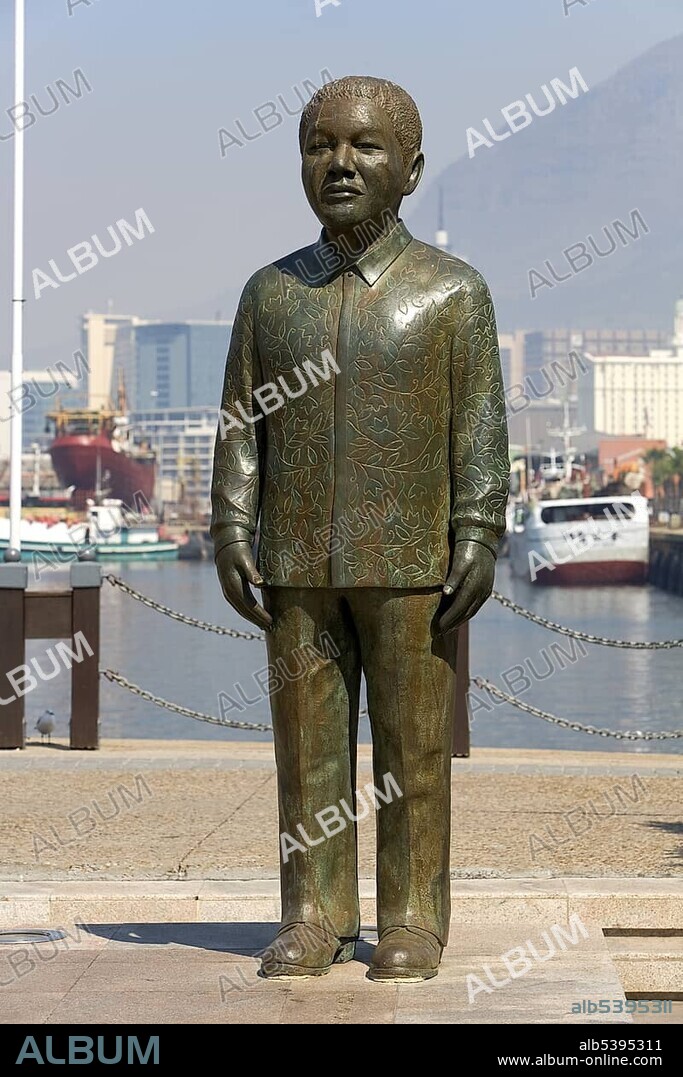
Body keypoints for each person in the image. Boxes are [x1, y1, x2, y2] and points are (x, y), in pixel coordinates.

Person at [211, 75, 509, 982]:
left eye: (364, 146)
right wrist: (231, 524)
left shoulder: (452, 294)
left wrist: (480, 529)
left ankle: (413, 917)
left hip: (413, 560)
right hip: (297, 557)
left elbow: (480, 425)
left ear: (409, 169)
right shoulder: (271, 293)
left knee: (415, 750)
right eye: (319, 144)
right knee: (305, 750)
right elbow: (241, 421)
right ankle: (312, 914)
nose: (338, 162)